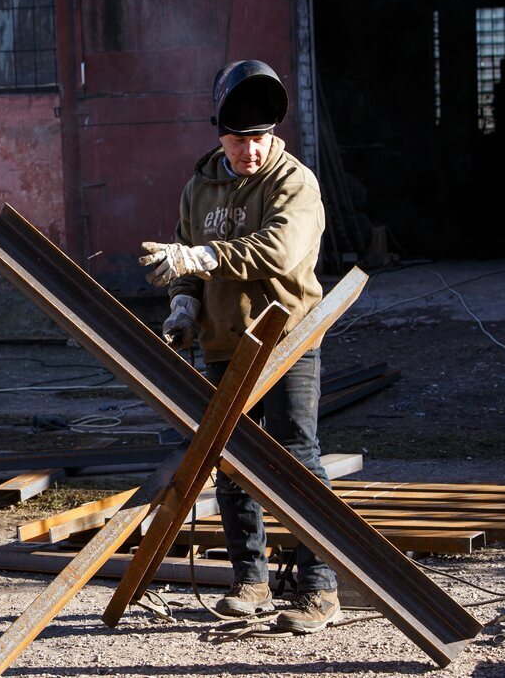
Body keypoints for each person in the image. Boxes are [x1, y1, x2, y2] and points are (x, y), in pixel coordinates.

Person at [138, 60, 340, 633]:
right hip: (224, 342)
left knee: (297, 456)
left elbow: (278, 251)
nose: (250, 150)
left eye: (259, 138)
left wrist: (201, 257)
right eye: (239, 138)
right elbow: (184, 258)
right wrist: (183, 304)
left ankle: (319, 588)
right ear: (218, 132)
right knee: (228, 462)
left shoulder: (294, 183)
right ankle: (249, 580)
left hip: (286, 340)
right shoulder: (198, 188)